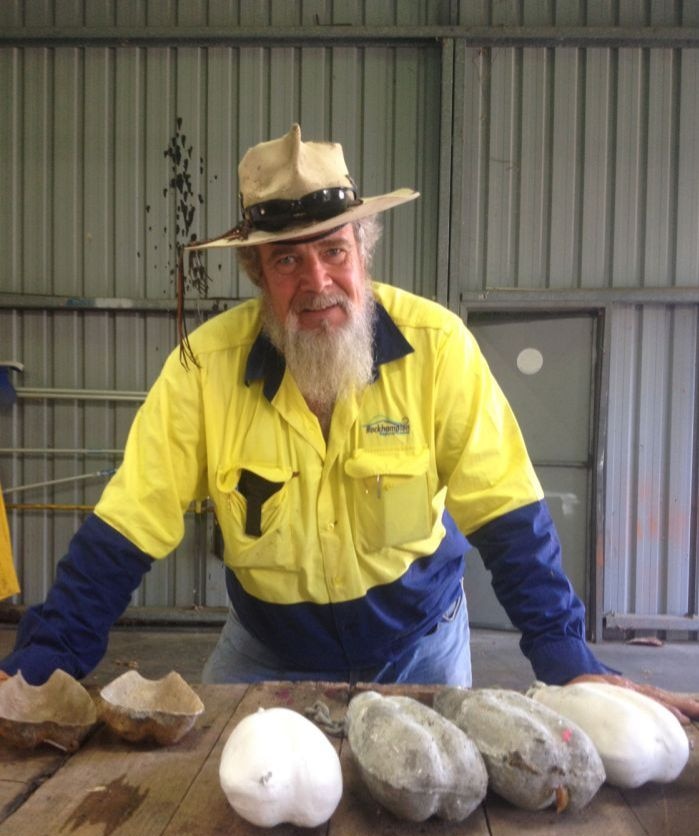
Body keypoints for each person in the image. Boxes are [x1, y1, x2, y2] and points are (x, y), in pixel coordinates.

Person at [1, 125, 697, 722]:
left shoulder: (439, 348)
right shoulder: (201, 371)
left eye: (333, 249)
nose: (316, 280)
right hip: (263, 649)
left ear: (364, 246)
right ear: (255, 272)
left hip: (422, 643)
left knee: (431, 816)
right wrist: (40, 671)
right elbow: (123, 529)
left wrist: (567, 662)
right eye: (286, 259)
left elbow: (508, 517)